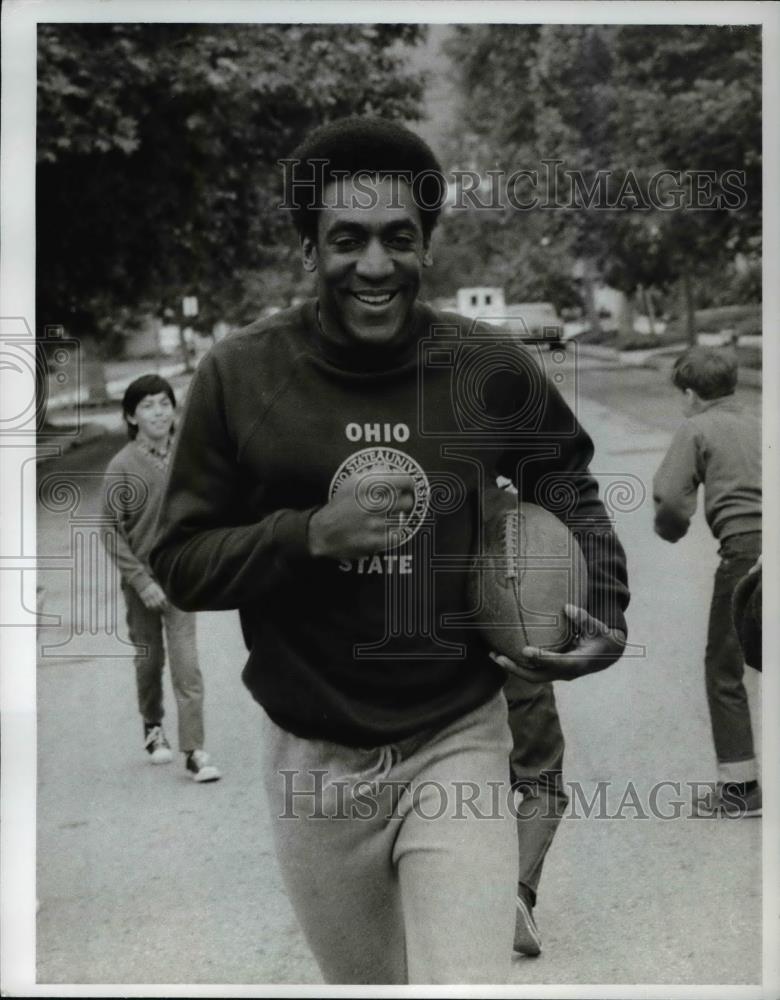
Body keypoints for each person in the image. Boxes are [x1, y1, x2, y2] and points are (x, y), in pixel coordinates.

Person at [150, 118, 629, 984]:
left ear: (427, 248)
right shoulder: (241, 376)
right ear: (308, 248)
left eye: (398, 238)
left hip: (457, 733)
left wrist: (608, 608)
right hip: (315, 758)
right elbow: (178, 557)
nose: (374, 264)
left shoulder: (486, 367)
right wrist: (310, 535)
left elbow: (568, 482)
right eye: (347, 239)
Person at [653, 346, 761, 816]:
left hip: (746, 553)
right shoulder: (762, 420)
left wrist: (669, 532)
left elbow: (673, 500)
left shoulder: (696, 428)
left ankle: (740, 790)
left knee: (725, 667)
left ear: (692, 395)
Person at [103, 374, 221, 783]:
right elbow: (109, 531)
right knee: (149, 662)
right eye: (148, 406)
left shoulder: (186, 459)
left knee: (188, 667)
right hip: (142, 585)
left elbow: (205, 511)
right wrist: (141, 581)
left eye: (164, 403)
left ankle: (195, 751)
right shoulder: (121, 467)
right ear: (131, 417)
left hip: (181, 581)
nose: (159, 412)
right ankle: (153, 726)